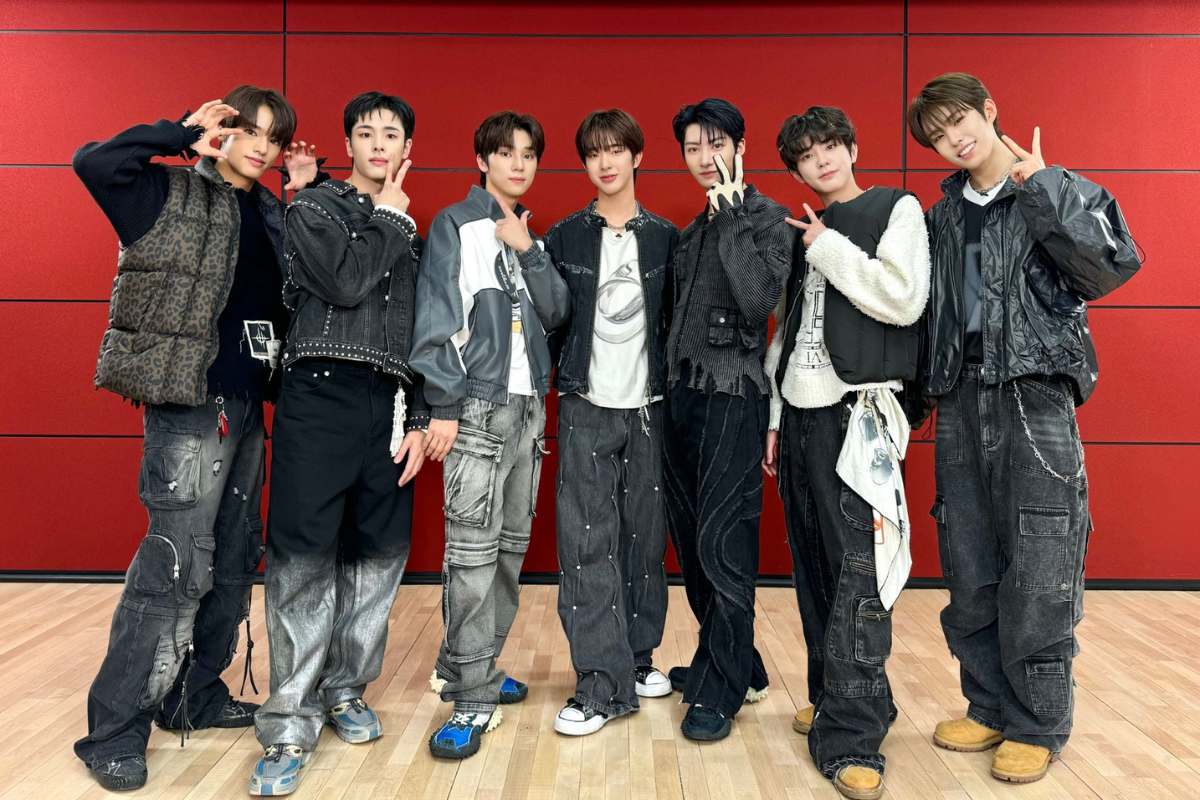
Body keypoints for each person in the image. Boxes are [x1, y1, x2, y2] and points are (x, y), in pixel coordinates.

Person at [71, 86, 317, 791]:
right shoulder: (166, 194)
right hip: (189, 405)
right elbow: (93, 163)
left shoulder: (269, 212)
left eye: (274, 138)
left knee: (233, 559)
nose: (263, 147)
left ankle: (193, 694)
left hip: (247, 407)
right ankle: (114, 732)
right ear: (223, 131)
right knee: (174, 567)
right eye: (251, 131)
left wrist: (307, 196)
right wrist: (178, 133)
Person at [907, 72, 1140, 784]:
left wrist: (1041, 188)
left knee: (1041, 562)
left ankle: (1038, 722)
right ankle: (987, 706)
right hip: (961, 398)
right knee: (970, 562)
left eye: (960, 121)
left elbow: (1108, 268)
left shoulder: (1058, 188)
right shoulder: (943, 216)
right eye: (938, 135)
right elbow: (928, 313)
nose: (954, 139)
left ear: (989, 110)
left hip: (1035, 396)